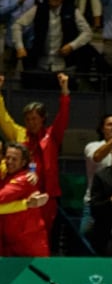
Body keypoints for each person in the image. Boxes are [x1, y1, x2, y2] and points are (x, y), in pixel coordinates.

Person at [0, 73, 70, 238]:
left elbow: (63, 116)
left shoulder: (52, 136)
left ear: (43, 118)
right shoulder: (19, 134)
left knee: (44, 235)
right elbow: (3, 118)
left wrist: (65, 91)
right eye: (28, 119)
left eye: (34, 118)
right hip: (23, 194)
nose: (31, 122)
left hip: (48, 197)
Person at [11, 0, 92, 89]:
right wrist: (20, 47)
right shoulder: (38, 9)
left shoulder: (72, 11)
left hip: (64, 67)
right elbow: (17, 25)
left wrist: (72, 46)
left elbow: (87, 32)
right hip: (40, 65)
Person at [0, 142, 49, 256]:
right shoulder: (5, 174)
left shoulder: (25, 179)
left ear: (23, 162)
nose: (9, 162)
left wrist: (32, 171)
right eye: (8, 158)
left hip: (29, 242)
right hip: (10, 241)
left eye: (14, 159)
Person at [0, 0, 41, 77]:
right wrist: (20, 1)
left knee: (29, 76)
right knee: (6, 76)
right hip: (11, 41)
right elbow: (1, 13)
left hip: (29, 42)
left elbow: (44, 12)